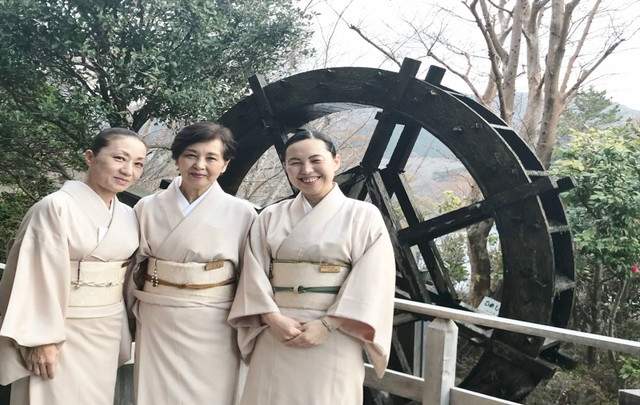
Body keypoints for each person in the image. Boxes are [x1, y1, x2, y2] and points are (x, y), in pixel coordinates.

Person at [229, 128, 396, 405]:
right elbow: (252, 274)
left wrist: (327, 325)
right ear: (286, 167)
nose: (306, 170)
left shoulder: (364, 216)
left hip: (336, 332)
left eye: (316, 160)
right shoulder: (270, 216)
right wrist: (272, 319)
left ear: (336, 161)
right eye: (295, 162)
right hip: (276, 331)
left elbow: (373, 281)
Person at [0, 128, 147, 405]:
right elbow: (33, 276)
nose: (128, 170)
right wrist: (40, 340)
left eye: (138, 163)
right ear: (90, 157)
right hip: (60, 328)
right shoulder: (55, 207)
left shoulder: (128, 214)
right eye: (119, 158)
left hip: (107, 327)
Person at [130, 121, 256, 405]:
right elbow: (131, 269)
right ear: (177, 159)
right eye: (191, 155)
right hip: (157, 317)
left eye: (211, 158)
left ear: (225, 165)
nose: (200, 165)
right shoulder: (147, 207)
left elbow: (251, 278)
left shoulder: (243, 213)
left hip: (215, 321)